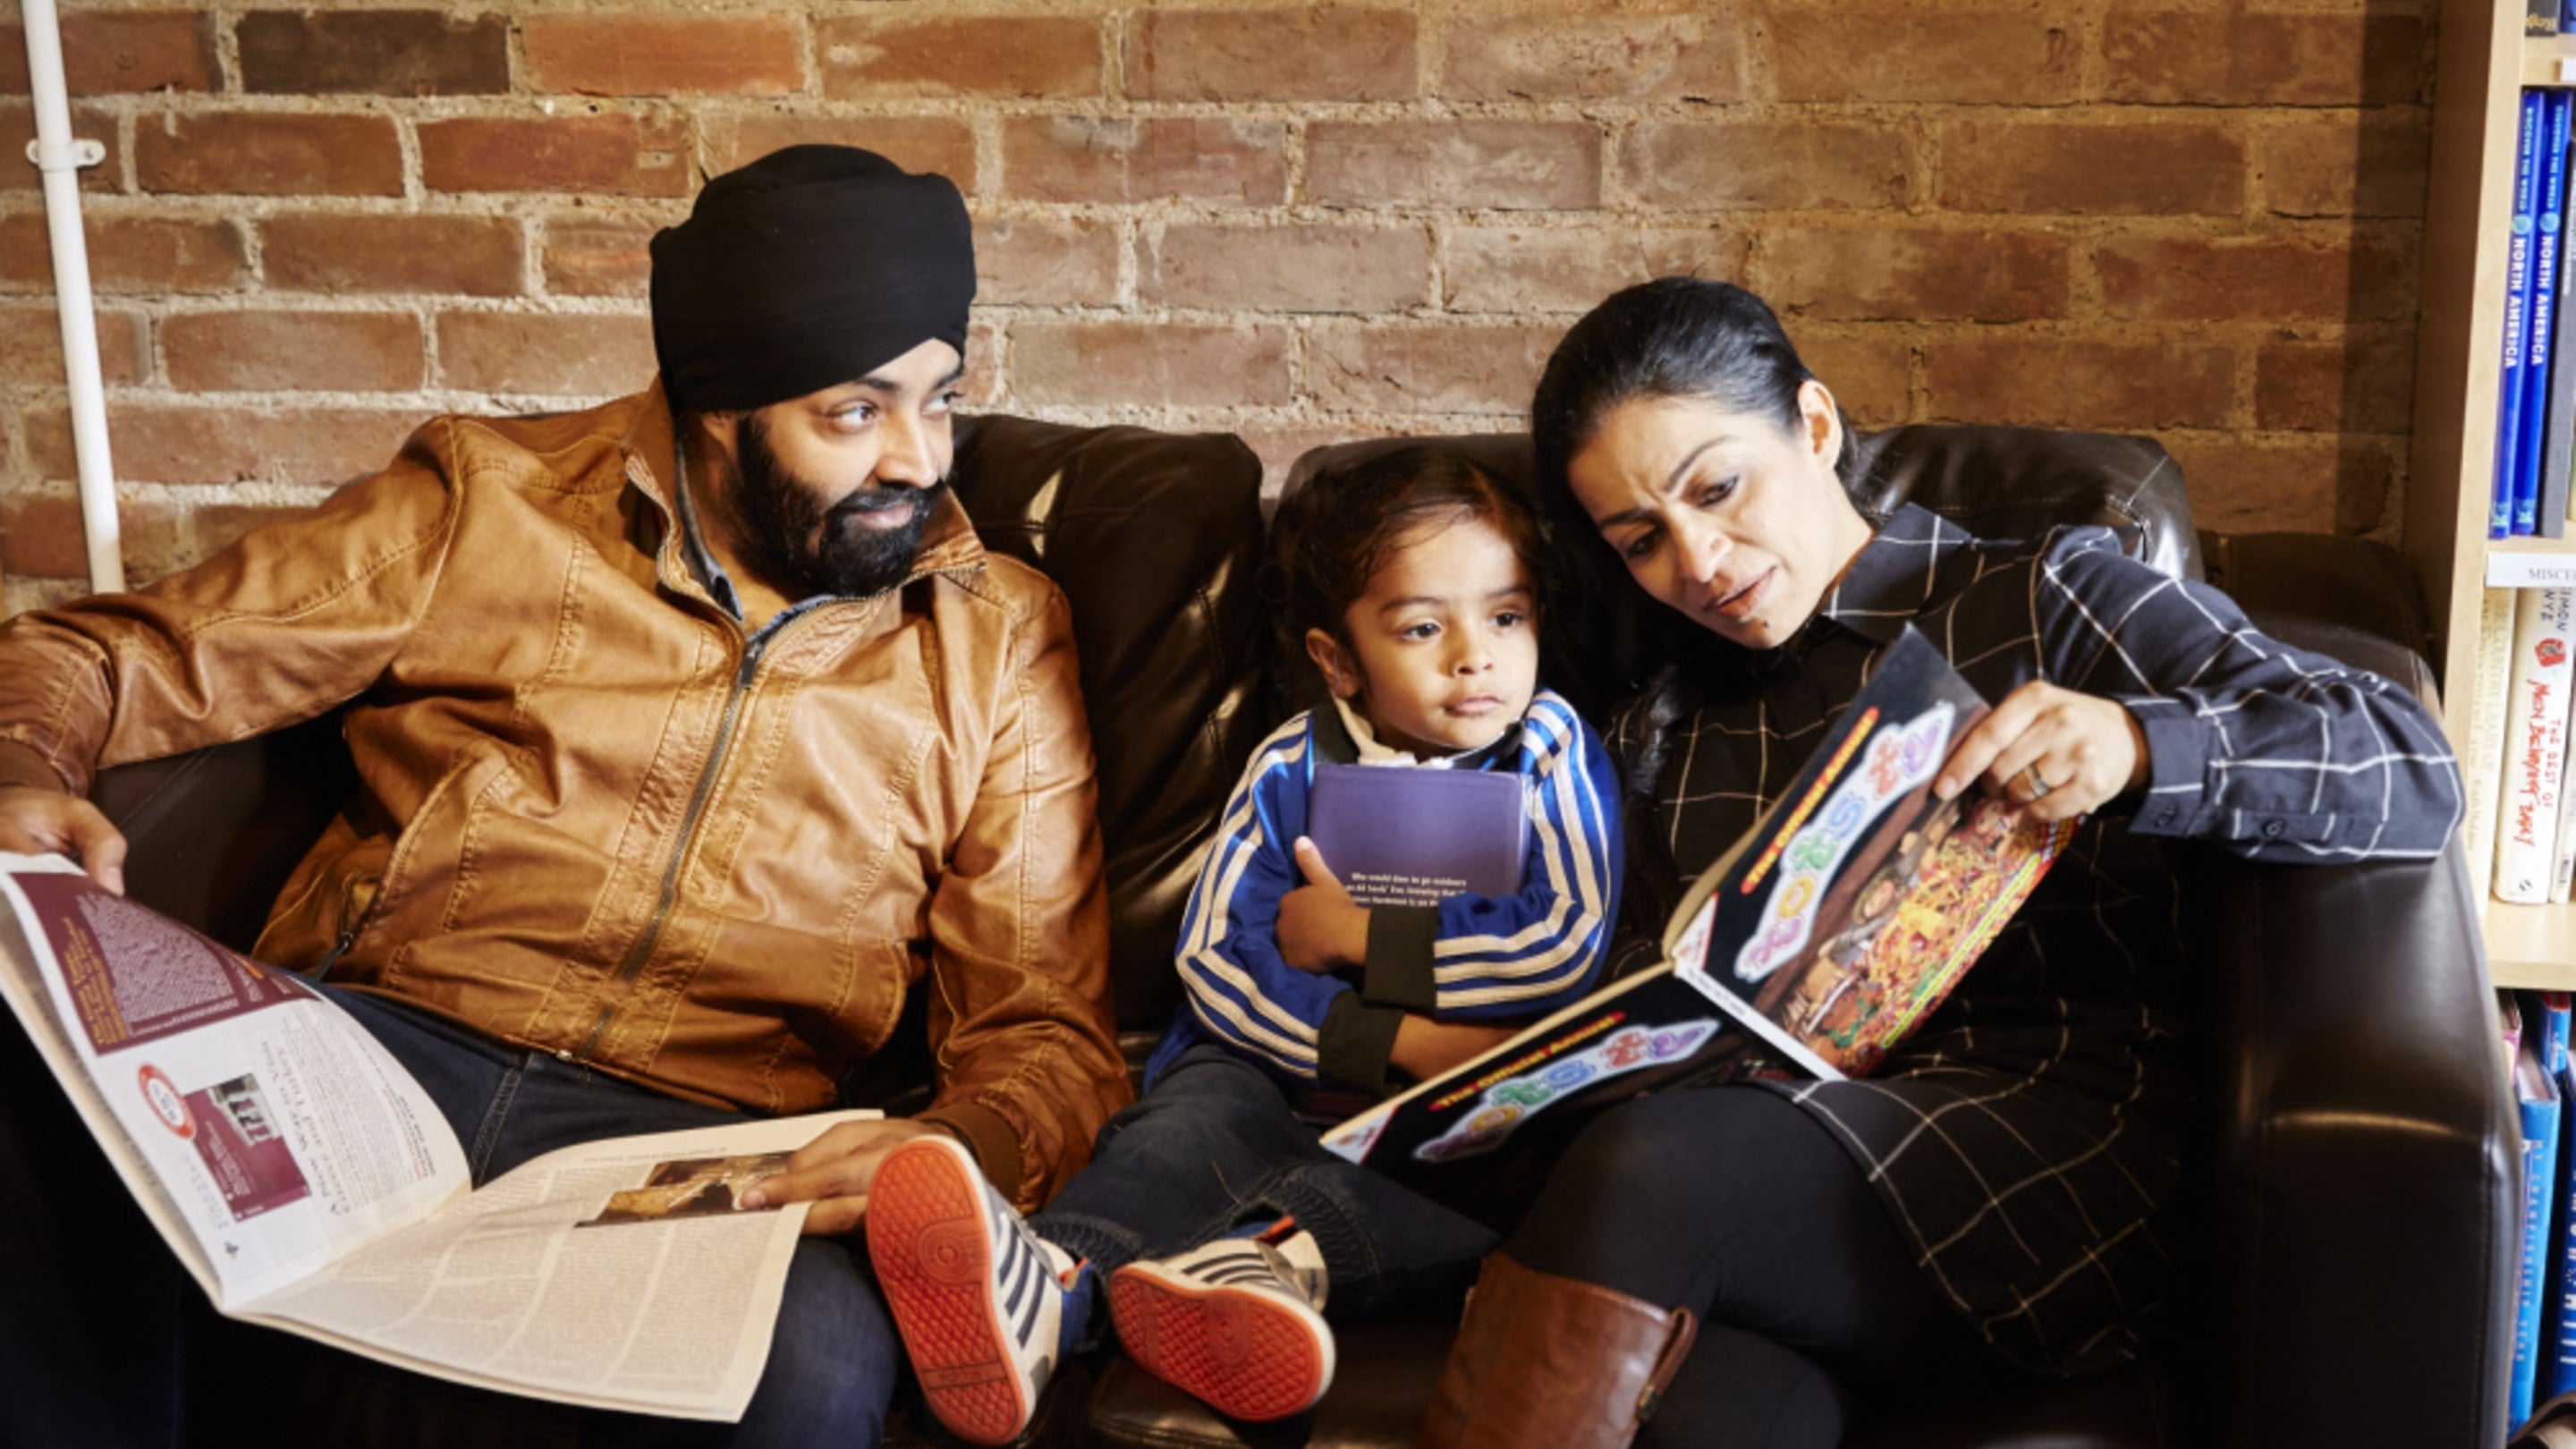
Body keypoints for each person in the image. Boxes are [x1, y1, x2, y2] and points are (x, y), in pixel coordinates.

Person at [0, 145, 1127, 1446]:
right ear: (719, 405)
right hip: (369, 1065)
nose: (919, 461)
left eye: (942, 401)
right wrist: (25, 764)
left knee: (808, 1372)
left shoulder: (994, 637)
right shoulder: (489, 505)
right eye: (854, 413)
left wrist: (960, 1151)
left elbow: (1043, 1022)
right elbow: (112, 651)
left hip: (703, 1142)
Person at [1412, 278, 2464, 1449]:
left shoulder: (2042, 593)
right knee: (1704, 1405)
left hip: (2055, 1151)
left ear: (1814, 427)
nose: (1700, 562)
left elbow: (2405, 760)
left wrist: (2136, 744)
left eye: (1719, 488)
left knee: (1652, 1169)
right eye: (1642, 540)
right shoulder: (1670, 724)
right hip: (1788, 1185)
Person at [859, 446, 1623, 1444]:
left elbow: (1562, 944)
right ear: (1338, 658)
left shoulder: (1551, 750)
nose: (1476, 656)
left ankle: (1261, 1269)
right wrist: (1392, 1040)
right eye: (1423, 627)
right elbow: (1221, 963)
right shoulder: (1290, 763)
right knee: (1179, 1131)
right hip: (1267, 1063)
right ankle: (1047, 1281)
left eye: (1507, 616)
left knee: (1502, 1178)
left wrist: (1360, 936)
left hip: (1468, 1094)